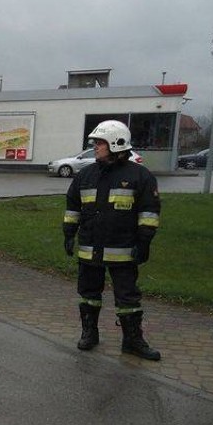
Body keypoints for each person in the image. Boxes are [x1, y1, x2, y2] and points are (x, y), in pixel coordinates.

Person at [63, 120, 161, 360]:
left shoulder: (140, 176)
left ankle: (132, 341)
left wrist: (144, 242)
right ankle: (90, 333)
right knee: (88, 293)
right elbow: (72, 206)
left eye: (100, 143)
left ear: (116, 144)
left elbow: (149, 212)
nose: (95, 147)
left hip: (124, 249)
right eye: (95, 143)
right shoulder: (85, 175)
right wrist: (68, 233)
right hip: (90, 248)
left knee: (128, 298)